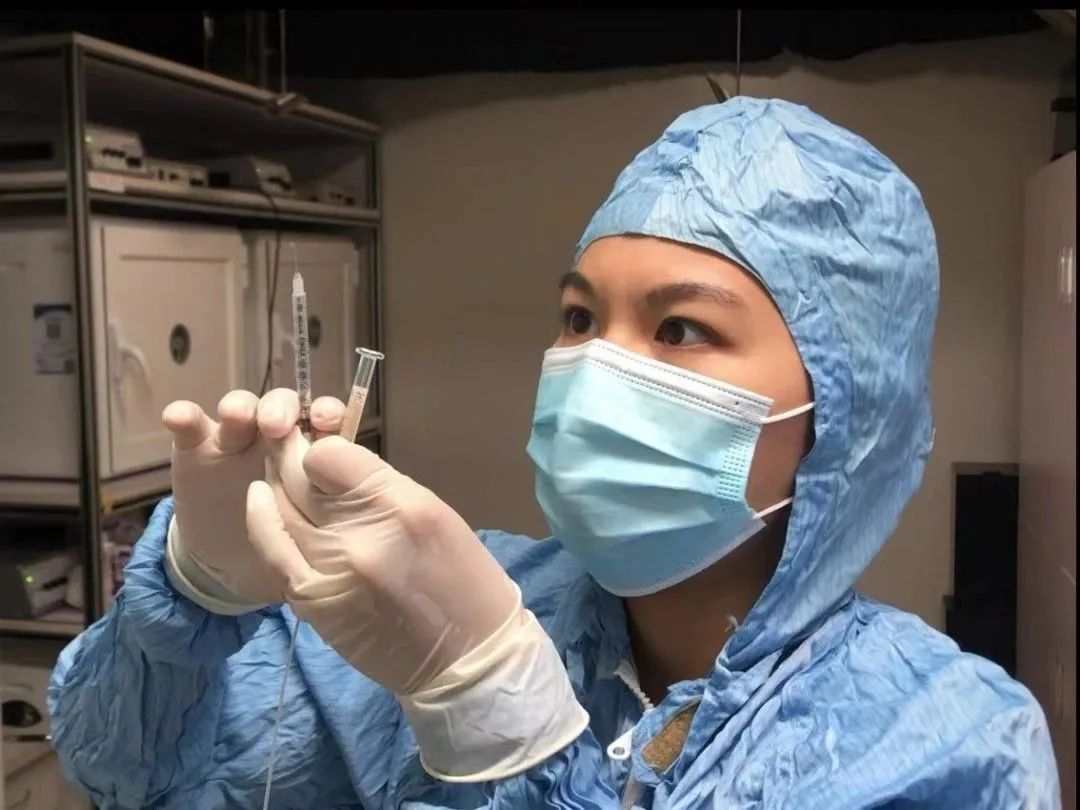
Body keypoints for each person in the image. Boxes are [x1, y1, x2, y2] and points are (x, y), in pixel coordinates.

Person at [48, 98, 1059, 809]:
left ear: (845, 411)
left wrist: (501, 719)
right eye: (579, 318)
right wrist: (194, 602)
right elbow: (131, 777)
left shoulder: (945, 744)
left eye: (679, 330)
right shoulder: (446, 603)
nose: (594, 370)